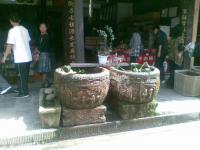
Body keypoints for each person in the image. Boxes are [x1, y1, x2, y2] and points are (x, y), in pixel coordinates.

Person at [1, 13, 32, 98]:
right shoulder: (25, 29)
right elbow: (28, 41)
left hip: (20, 57)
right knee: (24, 75)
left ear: (11, 21)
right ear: (19, 20)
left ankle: (24, 93)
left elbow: (9, 45)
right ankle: (22, 89)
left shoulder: (12, 31)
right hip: (28, 57)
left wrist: (4, 57)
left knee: (20, 75)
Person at [35, 23, 52, 88]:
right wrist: (36, 50)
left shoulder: (47, 36)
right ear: (39, 28)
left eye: (44, 27)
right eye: (41, 27)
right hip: (39, 54)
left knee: (44, 70)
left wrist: (37, 50)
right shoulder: (39, 36)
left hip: (44, 54)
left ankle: (43, 84)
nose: (42, 28)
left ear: (46, 28)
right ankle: (46, 82)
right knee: (41, 69)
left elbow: (44, 45)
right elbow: (36, 43)